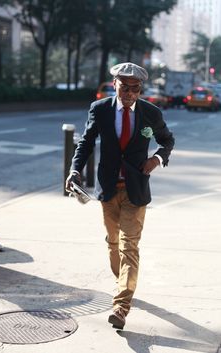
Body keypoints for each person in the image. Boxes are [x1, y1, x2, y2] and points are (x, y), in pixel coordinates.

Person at [66, 62, 175, 329]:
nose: (129, 93)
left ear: (140, 89)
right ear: (114, 85)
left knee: (129, 246)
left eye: (135, 88)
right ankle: (124, 282)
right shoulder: (100, 109)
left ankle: (121, 305)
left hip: (135, 189)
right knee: (113, 242)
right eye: (124, 87)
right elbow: (86, 142)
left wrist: (157, 159)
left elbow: (167, 140)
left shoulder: (151, 113)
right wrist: (74, 170)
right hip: (108, 188)